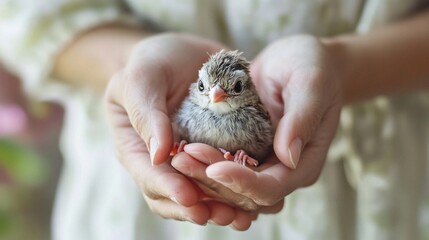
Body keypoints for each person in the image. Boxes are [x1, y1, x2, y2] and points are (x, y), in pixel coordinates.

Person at [1, 0, 429, 239]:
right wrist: (132, 67)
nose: (217, 95)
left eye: (230, 89)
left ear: (247, 90)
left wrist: (343, 67)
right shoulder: (188, 105)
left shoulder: (258, 115)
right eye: (207, 89)